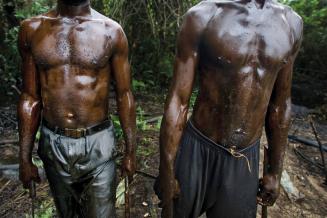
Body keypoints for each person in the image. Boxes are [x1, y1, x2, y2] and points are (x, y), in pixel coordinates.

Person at [155, 0, 303, 217]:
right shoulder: (204, 15)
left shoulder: (291, 23)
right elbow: (178, 99)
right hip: (198, 149)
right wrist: (166, 168)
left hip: (244, 159)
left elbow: (281, 104)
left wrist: (275, 172)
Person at [17, 0, 136, 217]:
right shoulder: (32, 29)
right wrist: (24, 158)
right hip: (54, 143)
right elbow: (30, 97)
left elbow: (124, 94)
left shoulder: (111, 31)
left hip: (99, 142)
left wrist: (131, 151)